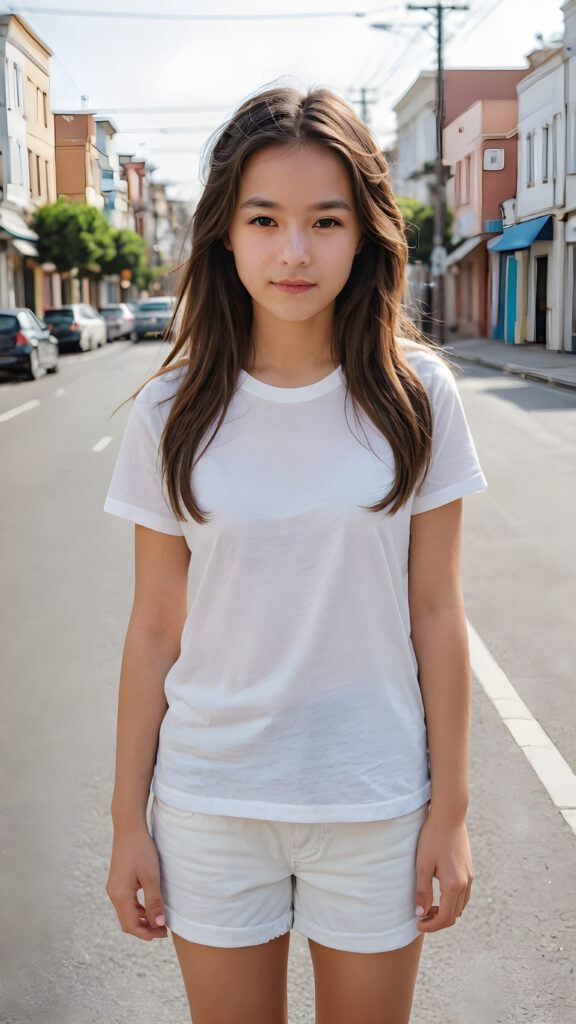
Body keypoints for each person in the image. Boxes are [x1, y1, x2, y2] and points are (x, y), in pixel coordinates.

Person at [103, 84, 488, 1024]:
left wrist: (451, 812)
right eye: (264, 219)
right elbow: (156, 623)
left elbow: (437, 611)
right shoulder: (172, 409)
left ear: (363, 235)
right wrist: (126, 825)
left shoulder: (417, 395)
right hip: (211, 802)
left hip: (373, 800)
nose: (294, 251)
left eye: (326, 220)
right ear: (225, 234)